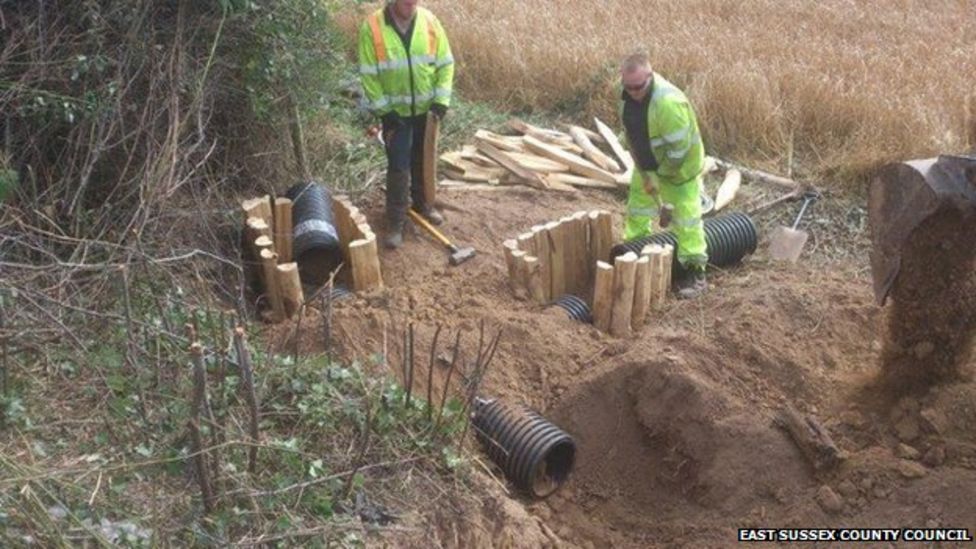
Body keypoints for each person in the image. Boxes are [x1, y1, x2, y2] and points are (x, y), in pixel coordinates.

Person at [358, 0, 455, 249]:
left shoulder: (430, 21)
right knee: (399, 166)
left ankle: (423, 205)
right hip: (395, 116)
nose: (411, 4)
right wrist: (385, 112)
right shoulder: (373, 27)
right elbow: (369, 74)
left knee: (422, 160)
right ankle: (396, 221)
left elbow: (446, 63)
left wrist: (441, 101)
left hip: (426, 111)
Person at [619, 52, 708, 298]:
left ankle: (695, 272)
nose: (634, 92)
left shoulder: (669, 103)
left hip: (679, 169)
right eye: (629, 87)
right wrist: (643, 168)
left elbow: (679, 151)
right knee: (637, 208)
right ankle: (632, 253)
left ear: (650, 76)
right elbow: (630, 132)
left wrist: (662, 175)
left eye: (639, 87)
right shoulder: (626, 95)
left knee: (687, 219)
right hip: (647, 165)